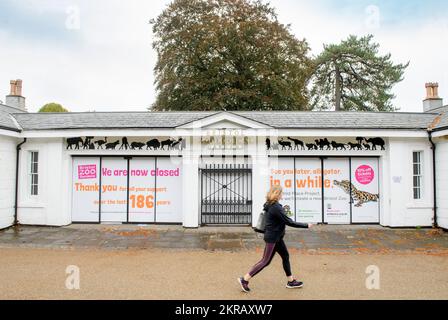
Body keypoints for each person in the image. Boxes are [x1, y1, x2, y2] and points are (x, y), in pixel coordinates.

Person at [238, 185, 311, 292]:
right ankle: (245, 279)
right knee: (265, 261)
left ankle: (291, 281)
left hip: (277, 237)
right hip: (272, 238)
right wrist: (306, 225)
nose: (282, 195)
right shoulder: (276, 207)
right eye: (281, 193)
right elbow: (288, 221)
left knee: (285, 256)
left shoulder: (270, 205)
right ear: (277, 194)